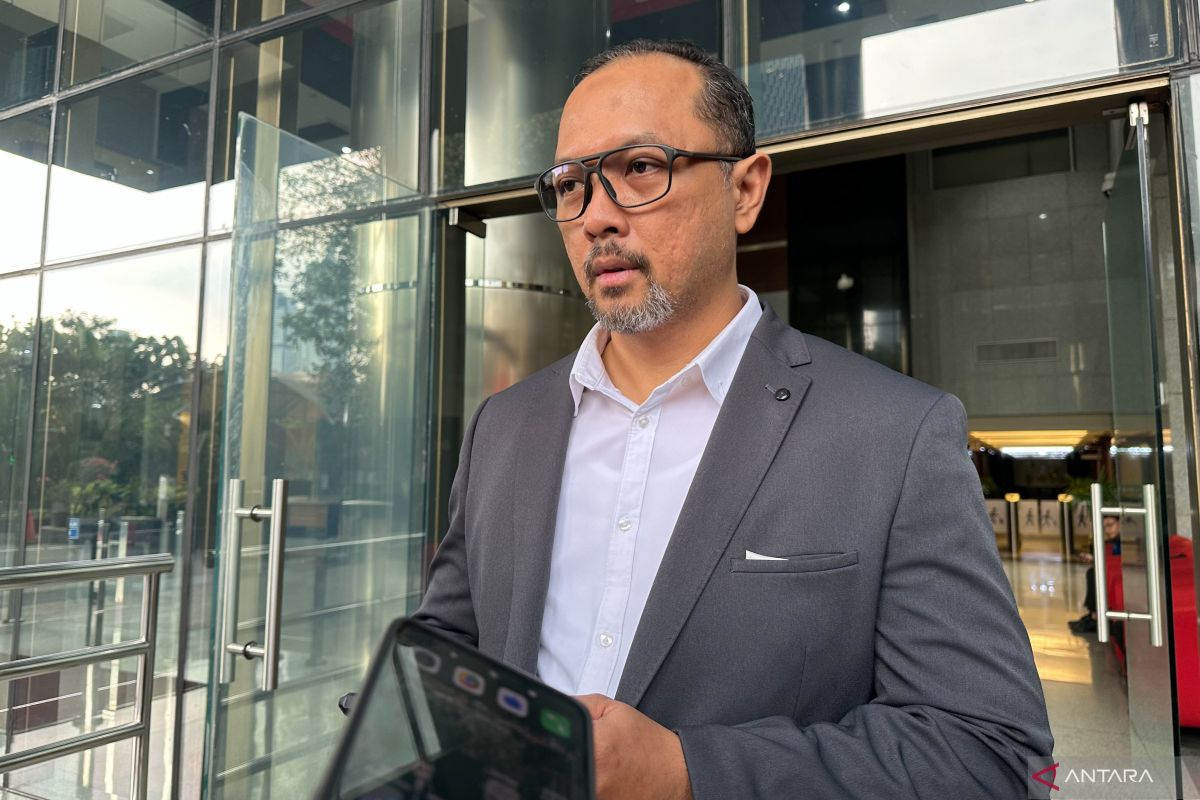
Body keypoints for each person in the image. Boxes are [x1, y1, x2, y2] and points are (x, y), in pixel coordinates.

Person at [415, 38, 1052, 799]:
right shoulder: (505, 425)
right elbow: (445, 644)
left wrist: (688, 773)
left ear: (745, 190)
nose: (597, 217)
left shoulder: (893, 435)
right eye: (572, 184)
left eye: (640, 168)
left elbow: (989, 752)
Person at [1069, 512, 1121, 635]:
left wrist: (1097, 560)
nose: (1107, 530)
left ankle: (1095, 615)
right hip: (1114, 570)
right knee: (1092, 572)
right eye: (1105, 527)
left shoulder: (1127, 543)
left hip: (1119, 573)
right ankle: (1093, 613)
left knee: (1093, 574)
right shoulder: (1113, 542)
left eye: (1110, 525)